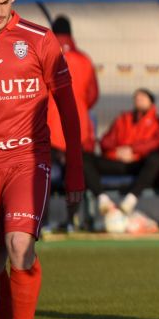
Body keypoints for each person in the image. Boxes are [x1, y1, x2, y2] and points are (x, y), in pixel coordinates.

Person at [0, 0, 85, 319]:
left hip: (27, 157)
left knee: (20, 246)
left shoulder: (40, 40)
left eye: (5, 1)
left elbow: (68, 108)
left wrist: (74, 170)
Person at [45, 15, 101, 227]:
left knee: (44, 174)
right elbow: (93, 95)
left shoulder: (45, 55)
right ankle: (72, 220)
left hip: (49, 126)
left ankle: (43, 222)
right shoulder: (84, 59)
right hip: (77, 126)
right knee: (75, 172)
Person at [93, 88, 159, 228]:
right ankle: (103, 200)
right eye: (136, 97)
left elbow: (156, 142)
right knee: (85, 159)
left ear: (151, 102)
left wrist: (133, 150)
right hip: (118, 161)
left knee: (156, 158)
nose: (138, 100)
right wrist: (116, 152)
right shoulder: (123, 118)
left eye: (142, 97)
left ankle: (130, 199)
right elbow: (106, 140)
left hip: (141, 164)